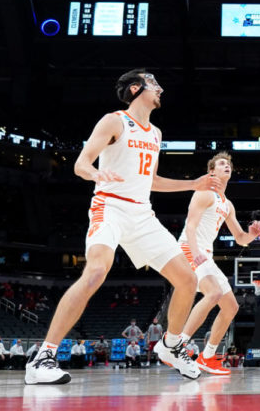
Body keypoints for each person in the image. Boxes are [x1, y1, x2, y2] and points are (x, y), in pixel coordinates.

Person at [24, 69, 221, 385]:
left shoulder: (155, 133)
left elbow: (152, 181)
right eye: (153, 83)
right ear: (135, 88)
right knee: (96, 271)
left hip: (142, 215)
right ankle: (43, 357)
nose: (160, 88)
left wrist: (193, 183)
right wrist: (94, 174)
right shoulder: (114, 121)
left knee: (187, 279)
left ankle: (170, 346)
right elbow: (81, 163)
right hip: (110, 207)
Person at [177, 152, 260, 376]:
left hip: (205, 254)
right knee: (213, 293)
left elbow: (240, 239)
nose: (227, 166)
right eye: (221, 164)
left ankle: (208, 357)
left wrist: (253, 234)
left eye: (229, 164)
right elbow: (190, 226)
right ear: (211, 171)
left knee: (231, 306)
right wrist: (195, 253)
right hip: (190, 248)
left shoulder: (227, 204)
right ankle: (177, 345)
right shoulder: (204, 193)